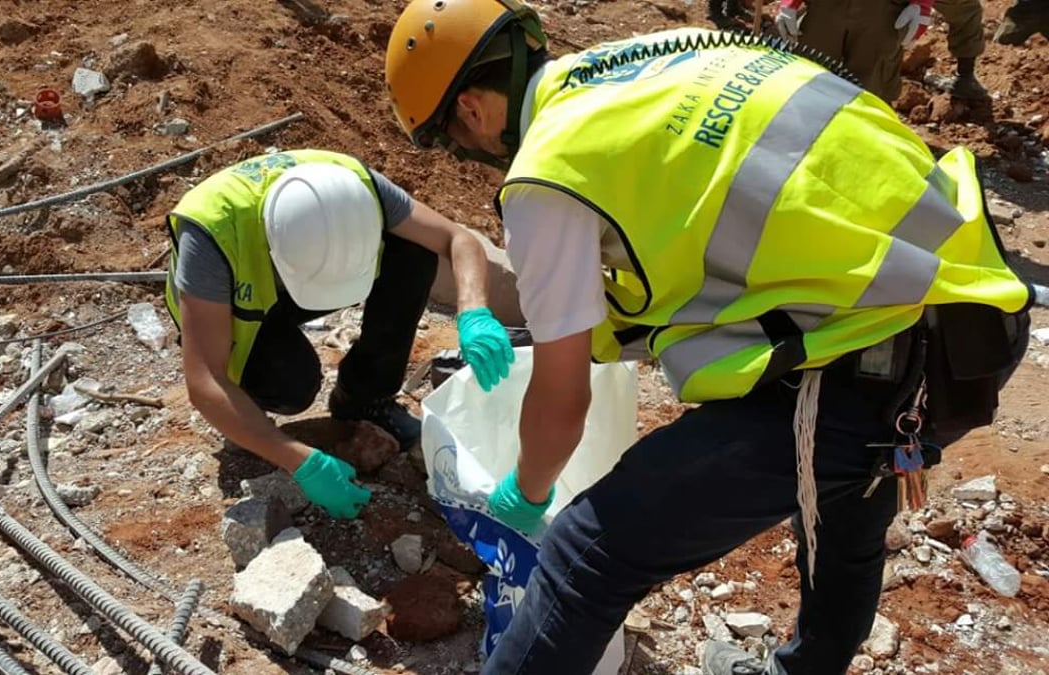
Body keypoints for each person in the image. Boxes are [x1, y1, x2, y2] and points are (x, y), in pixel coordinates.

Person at [384, 2, 1032, 674]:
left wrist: (528, 490)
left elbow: (563, 401)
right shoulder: (659, 58)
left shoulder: (547, 169)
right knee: (844, 503)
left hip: (877, 356)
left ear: (470, 110)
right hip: (970, 305)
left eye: (449, 141)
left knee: (585, 550)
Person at [165, 148, 514, 519]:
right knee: (290, 386)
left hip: (307, 277)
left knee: (415, 249)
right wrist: (297, 460)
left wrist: (474, 310)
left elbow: (457, 239)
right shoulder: (209, 234)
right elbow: (204, 379)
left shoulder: (356, 189)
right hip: (228, 310)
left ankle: (365, 399)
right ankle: (247, 416)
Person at [774, 0, 934, 102]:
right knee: (809, 79)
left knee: (870, 91)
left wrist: (922, 4)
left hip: (881, 11)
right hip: (825, 8)